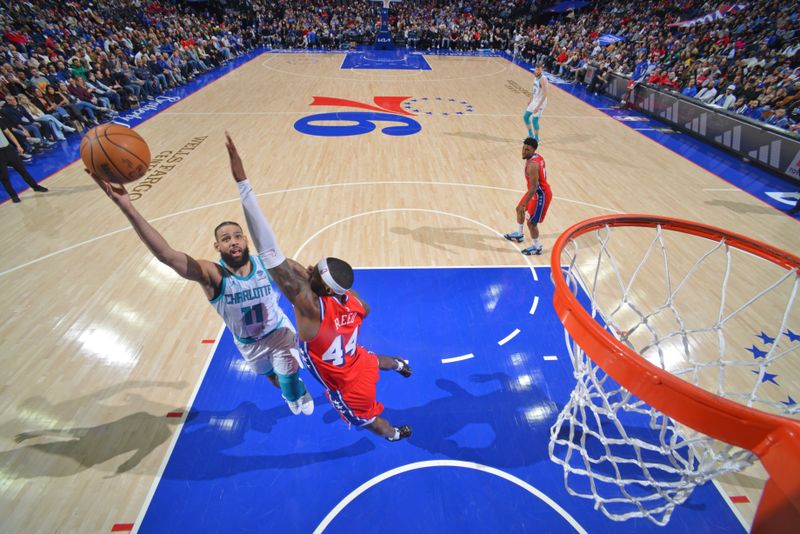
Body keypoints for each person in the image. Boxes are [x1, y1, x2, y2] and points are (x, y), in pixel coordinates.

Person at [224, 133, 413, 442]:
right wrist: (316, 277)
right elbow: (361, 305)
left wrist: (243, 184)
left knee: (369, 421)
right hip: (356, 359)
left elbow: (269, 253)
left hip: (348, 384)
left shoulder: (308, 306)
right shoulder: (355, 305)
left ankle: (393, 434)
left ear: (318, 284)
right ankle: (401, 364)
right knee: (376, 360)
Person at [88, 167, 314, 416]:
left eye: (238, 236)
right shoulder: (212, 275)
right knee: (272, 377)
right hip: (248, 344)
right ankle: (289, 389)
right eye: (226, 238)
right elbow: (166, 255)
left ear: (246, 241)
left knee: (289, 379)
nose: (234, 241)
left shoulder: (263, 263)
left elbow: (290, 264)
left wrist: (312, 278)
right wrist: (127, 207)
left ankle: (295, 392)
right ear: (217, 246)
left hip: (279, 333)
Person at [503, 137, 552, 255]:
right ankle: (519, 234)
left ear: (533, 150)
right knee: (518, 209)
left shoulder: (532, 166)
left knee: (531, 223)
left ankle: (537, 247)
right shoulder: (537, 157)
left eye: (528, 150)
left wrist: (524, 204)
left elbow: (534, 187)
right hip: (534, 191)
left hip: (541, 194)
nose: (524, 152)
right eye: (524, 148)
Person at [0, 116, 48, 203]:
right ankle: (14, 196)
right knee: (4, 177)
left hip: (8, 149)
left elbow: (8, 133)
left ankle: (35, 187)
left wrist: (18, 145)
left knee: (22, 170)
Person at [524, 65, 548, 142]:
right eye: (536, 70)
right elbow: (533, 90)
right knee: (525, 116)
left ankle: (536, 139)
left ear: (541, 71)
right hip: (534, 100)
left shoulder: (543, 79)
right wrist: (530, 99)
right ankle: (531, 135)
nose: (537, 71)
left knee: (535, 120)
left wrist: (538, 107)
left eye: (539, 70)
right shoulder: (535, 77)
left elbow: (545, 94)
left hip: (541, 102)